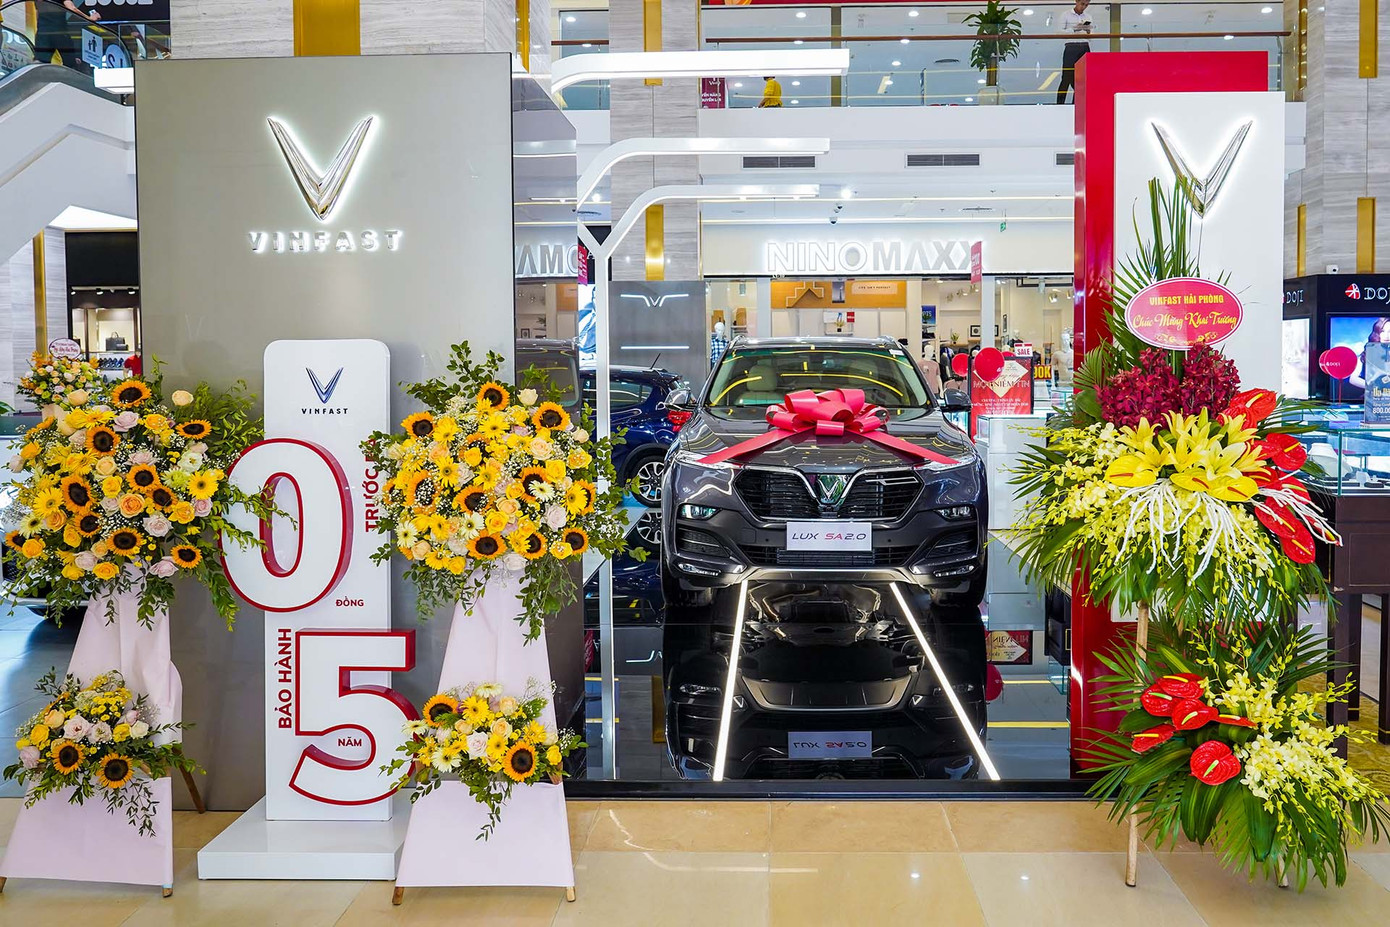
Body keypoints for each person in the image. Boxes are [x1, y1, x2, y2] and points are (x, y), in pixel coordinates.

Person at [34, 0, 102, 68]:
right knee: (70, 63)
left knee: (41, 62)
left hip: (42, 32)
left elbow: (37, 13)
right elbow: (72, 8)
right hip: (59, 32)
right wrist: (89, 18)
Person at [1055, 0, 1092, 105]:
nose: (1084, 7)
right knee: (1066, 76)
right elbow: (1059, 32)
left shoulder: (1088, 16)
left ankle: (1076, 104)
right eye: (1082, 4)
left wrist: (1088, 31)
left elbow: (1091, 37)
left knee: (1083, 79)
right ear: (1076, 1)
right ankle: (1060, 104)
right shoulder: (1065, 15)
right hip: (1071, 46)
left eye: (1086, 5)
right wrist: (1074, 29)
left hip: (1084, 46)